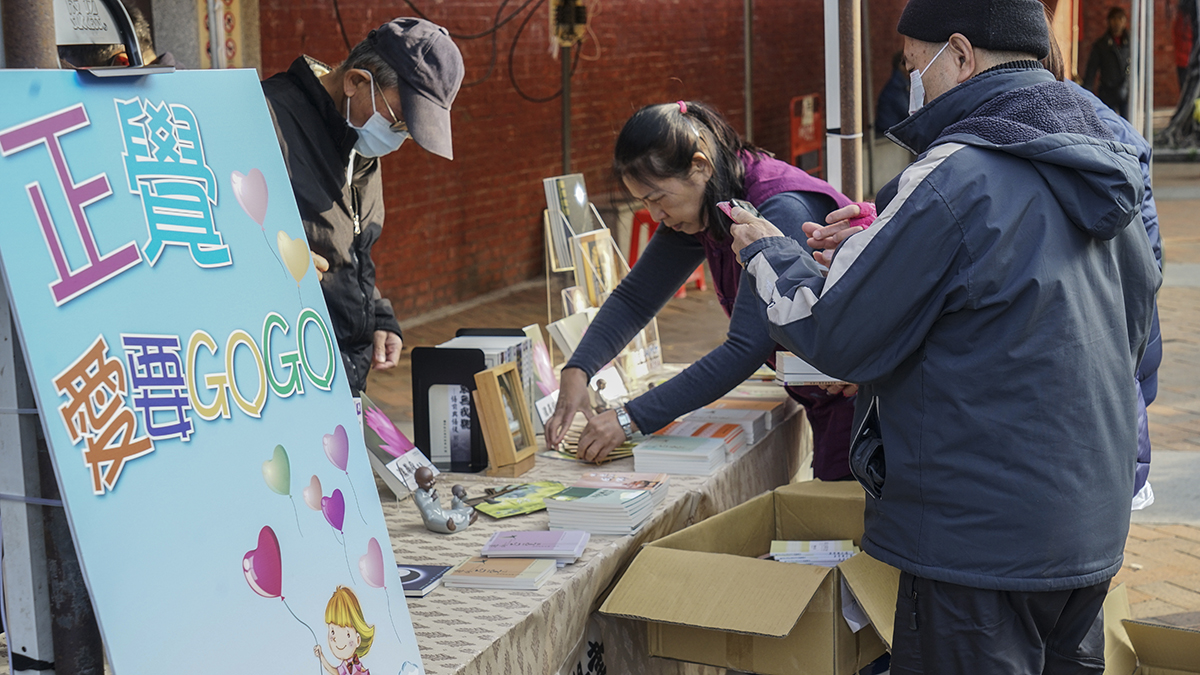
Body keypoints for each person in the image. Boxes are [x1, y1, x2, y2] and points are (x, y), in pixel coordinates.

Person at [728, 0, 1160, 671]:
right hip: (1088, 520)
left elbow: (837, 329)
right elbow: (1136, 335)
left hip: (977, 539)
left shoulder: (956, 171)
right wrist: (886, 240)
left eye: (911, 66)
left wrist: (768, 252)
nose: (912, 83)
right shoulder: (1111, 157)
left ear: (959, 55)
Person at [545, 100, 872, 479]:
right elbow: (636, 298)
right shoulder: (710, 204)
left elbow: (746, 346)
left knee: (845, 520)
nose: (655, 216)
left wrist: (628, 418)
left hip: (863, 404)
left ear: (700, 166)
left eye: (657, 198)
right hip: (826, 395)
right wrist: (578, 369)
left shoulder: (778, 210)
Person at [262, 18, 464, 394]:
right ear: (356, 82)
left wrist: (377, 315)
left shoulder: (358, 137)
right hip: (287, 368)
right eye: (401, 121)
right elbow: (228, 240)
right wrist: (274, 262)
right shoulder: (267, 120)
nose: (400, 138)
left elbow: (352, 248)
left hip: (343, 371)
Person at [1043, 19, 1163, 510]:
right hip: (1114, 403)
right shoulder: (1113, 131)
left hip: (1057, 416)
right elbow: (1146, 275)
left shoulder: (1003, 145)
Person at [1083, 7, 1132, 118]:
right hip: (1107, 91)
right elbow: (1091, 69)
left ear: (1125, 21)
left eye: (1120, 19)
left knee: (1127, 124)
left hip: (1126, 90)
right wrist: (1086, 90)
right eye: (1114, 19)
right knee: (1108, 123)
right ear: (1109, 21)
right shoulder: (1101, 45)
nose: (1117, 22)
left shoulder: (1131, 44)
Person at [316, 586, 375, 675]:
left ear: (358, 640)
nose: (338, 639)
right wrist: (321, 656)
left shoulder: (357, 668)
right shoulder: (345, 665)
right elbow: (335, 672)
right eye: (333, 632)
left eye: (347, 634)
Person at [875, 51, 911, 135]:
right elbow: (908, 112)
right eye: (907, 63)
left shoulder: (902, 84)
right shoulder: (896, 87)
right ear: (900, 66)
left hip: (892, 132)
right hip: (886, 135)